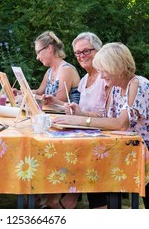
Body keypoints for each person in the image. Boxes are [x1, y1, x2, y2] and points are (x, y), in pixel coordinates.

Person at [53, 42, 149, 176]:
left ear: (118, 67)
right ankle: (67, 196)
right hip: (130, 147)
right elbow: (105, 117)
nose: (101, 76)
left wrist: (79, 121)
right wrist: (80, 113)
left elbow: (121, 124)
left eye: (104, 71)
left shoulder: (137, 85)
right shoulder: (116, 87)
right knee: (84, 154)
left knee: (92, 159)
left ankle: (71, 197)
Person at [43, 32, 109, 209]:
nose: (82, 56)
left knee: (82, 152)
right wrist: (58, 104)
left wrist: (80, 116)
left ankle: (66, 201)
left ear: (99, 50)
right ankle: (57, 197)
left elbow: (110, 116)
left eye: (86, 51)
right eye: (78, 53)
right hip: (89, 133)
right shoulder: (85, 80)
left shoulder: (107, 79)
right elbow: (80, 112)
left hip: (105, 137)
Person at [26, 31, 80, 105]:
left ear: (49, 48)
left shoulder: (66, 69)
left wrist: (30, 96)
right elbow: (39, 91)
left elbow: (57, 101)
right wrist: (21, 93)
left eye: (38, 52)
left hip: (70, 116)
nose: (37, 57)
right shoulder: (49, 72)